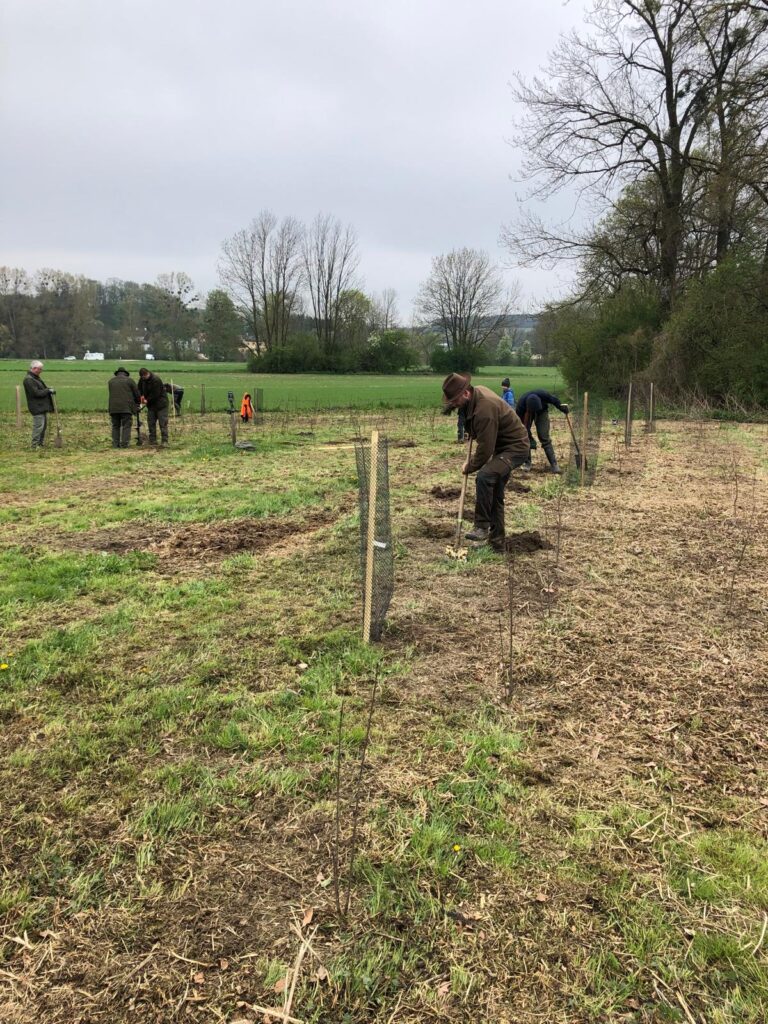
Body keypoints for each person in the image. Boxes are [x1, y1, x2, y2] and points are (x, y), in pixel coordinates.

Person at [442, 372, 530, 551]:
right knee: (495, 491)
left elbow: (485, 450)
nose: (454, 404)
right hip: (502, 447)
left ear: (466, 393)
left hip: (516, 448)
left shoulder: (484, 410)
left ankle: (481, 526)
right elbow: (479, 430)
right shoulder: (476, 395)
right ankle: (497, 542)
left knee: (484, 476)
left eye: (455, 400)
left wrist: (470, 466)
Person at [515, 389, 569, 474]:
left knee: (544, 437)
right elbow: (521, 425)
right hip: (527, 413)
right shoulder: (521, 406)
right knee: (524, 436)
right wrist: (529, 436)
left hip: (542, 412)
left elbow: (555, 401)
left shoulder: (543, 394)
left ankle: (554, 465)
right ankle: (527, 463)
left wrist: (562, 408)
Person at [23, 360, 55, 449]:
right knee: (38, 427)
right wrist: (48, 390)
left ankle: (40, 444)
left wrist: (48, 390)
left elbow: (41, 390)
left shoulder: (35, 378)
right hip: (36, 407)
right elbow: (36, 393)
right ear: (34, 368)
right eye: (40, 369)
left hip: (41, 406)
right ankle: (34, 445)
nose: (41, 371)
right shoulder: (29, 380)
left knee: (43, 427)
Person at [108, 368, 140, 449]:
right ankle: (125, 444)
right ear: (126, 374)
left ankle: (115, 444)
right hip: (126, 408)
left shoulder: (111, 381)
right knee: (126, 425)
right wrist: (138, 403)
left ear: (117, 373)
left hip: (113, 408)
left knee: (115, 426)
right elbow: (137, 394)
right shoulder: (129, 381)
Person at [137, 367, 169, 445]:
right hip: (151, 406)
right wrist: (141, 396)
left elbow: (156, 394)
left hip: (161, 404)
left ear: (147, 373)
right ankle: (153, 440)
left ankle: (164, 441)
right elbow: (139, 388)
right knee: (151, 423)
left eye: (145, 377)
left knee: (163, 423)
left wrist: (146, 400)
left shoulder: (156, 380)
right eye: (142, 377)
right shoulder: (142, 380)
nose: (143, 378)